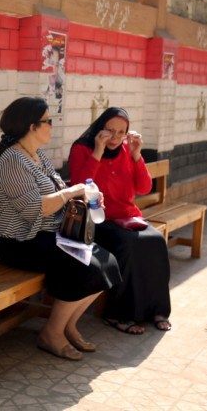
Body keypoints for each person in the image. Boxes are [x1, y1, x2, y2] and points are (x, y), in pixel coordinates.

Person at [0, 97, 122, 361]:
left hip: (47, 236)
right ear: (32, 126)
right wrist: (71, 192)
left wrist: (84, 195)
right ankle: (51, 333)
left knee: (108, 263)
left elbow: (61, 192)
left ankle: (67, 325)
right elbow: (32, 210)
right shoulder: (13, 160)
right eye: (47, 121)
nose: (52, 126)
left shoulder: (38, 156)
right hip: (19, 241)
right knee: (83, 265)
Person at [68, 107, 172, 334]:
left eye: (121, 132)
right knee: (129, 244)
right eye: (109, 131)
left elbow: (144, 187)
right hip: (97, 219)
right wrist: (98, 151)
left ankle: (157, 308)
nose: (115, 138)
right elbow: (79, 186)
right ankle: (117, 314)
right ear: (100, 129)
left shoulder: (127, 149)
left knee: (156, 241)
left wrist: (136, 155)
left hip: (128, 217)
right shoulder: (82, 148)